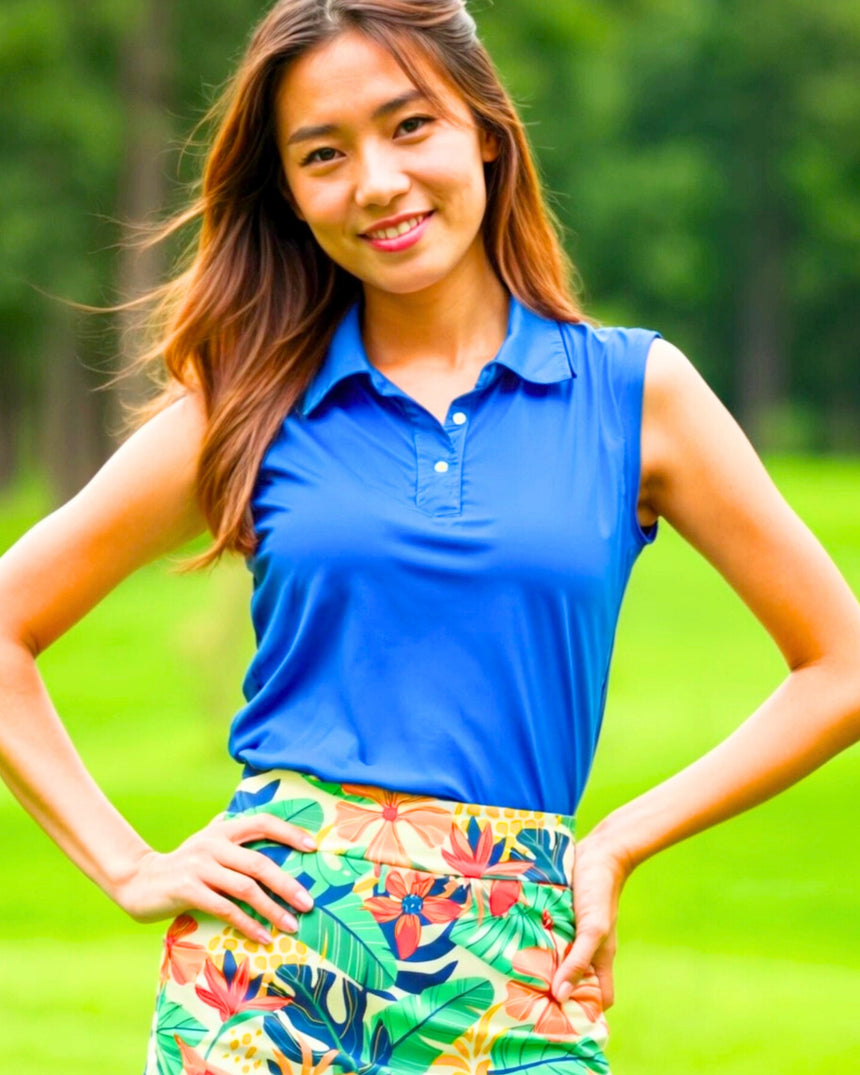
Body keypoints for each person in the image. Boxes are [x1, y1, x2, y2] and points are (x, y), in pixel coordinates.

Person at [1, 1, 858, 1072]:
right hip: (261, 973)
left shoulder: (636, 395)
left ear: (484, 131)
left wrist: (618, 841)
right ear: (290, 194)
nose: (375, 182)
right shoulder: (249, 406)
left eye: (409, 126)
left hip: (520, 969)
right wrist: (128, 864)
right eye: (324, 153)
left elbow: (840, 666)